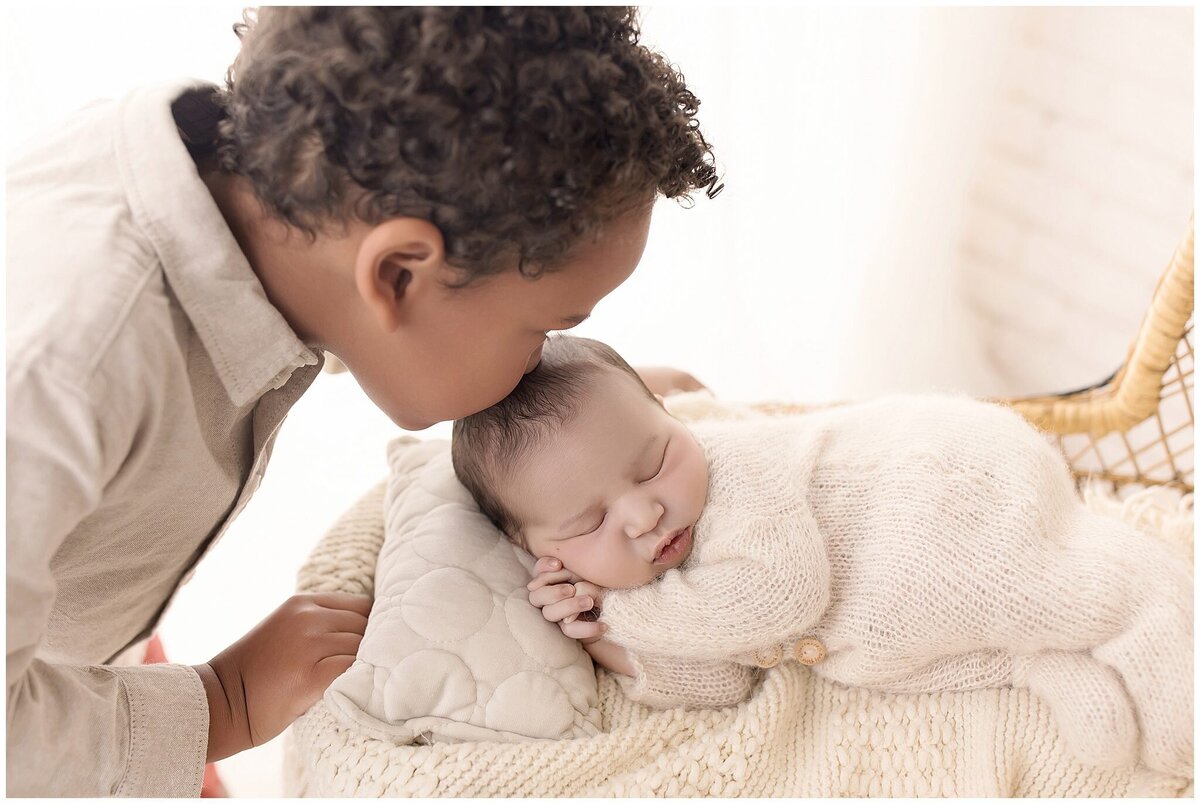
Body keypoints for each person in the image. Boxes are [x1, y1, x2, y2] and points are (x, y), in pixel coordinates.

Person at [6, 8, 718, 796]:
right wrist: (218, 707)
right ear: (396, 274)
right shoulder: (61, 376)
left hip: (75, 636)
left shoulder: (272, 198)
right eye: (544, 329)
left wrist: (594, 411)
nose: (536, 358)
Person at [451, 335, 1194, 779]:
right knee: (938, 644)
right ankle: (1041, 660)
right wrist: (603, 639)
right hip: (898, 624)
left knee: (1063, 584)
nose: (645, 512)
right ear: (535, 547)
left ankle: (1137, 601)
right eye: (590, 521)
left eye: (654, 461)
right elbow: (715, 679)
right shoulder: (645, 580)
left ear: (672, 418)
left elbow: (773, 599)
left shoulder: (738, 471)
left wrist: (625, 606)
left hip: (942, 489)